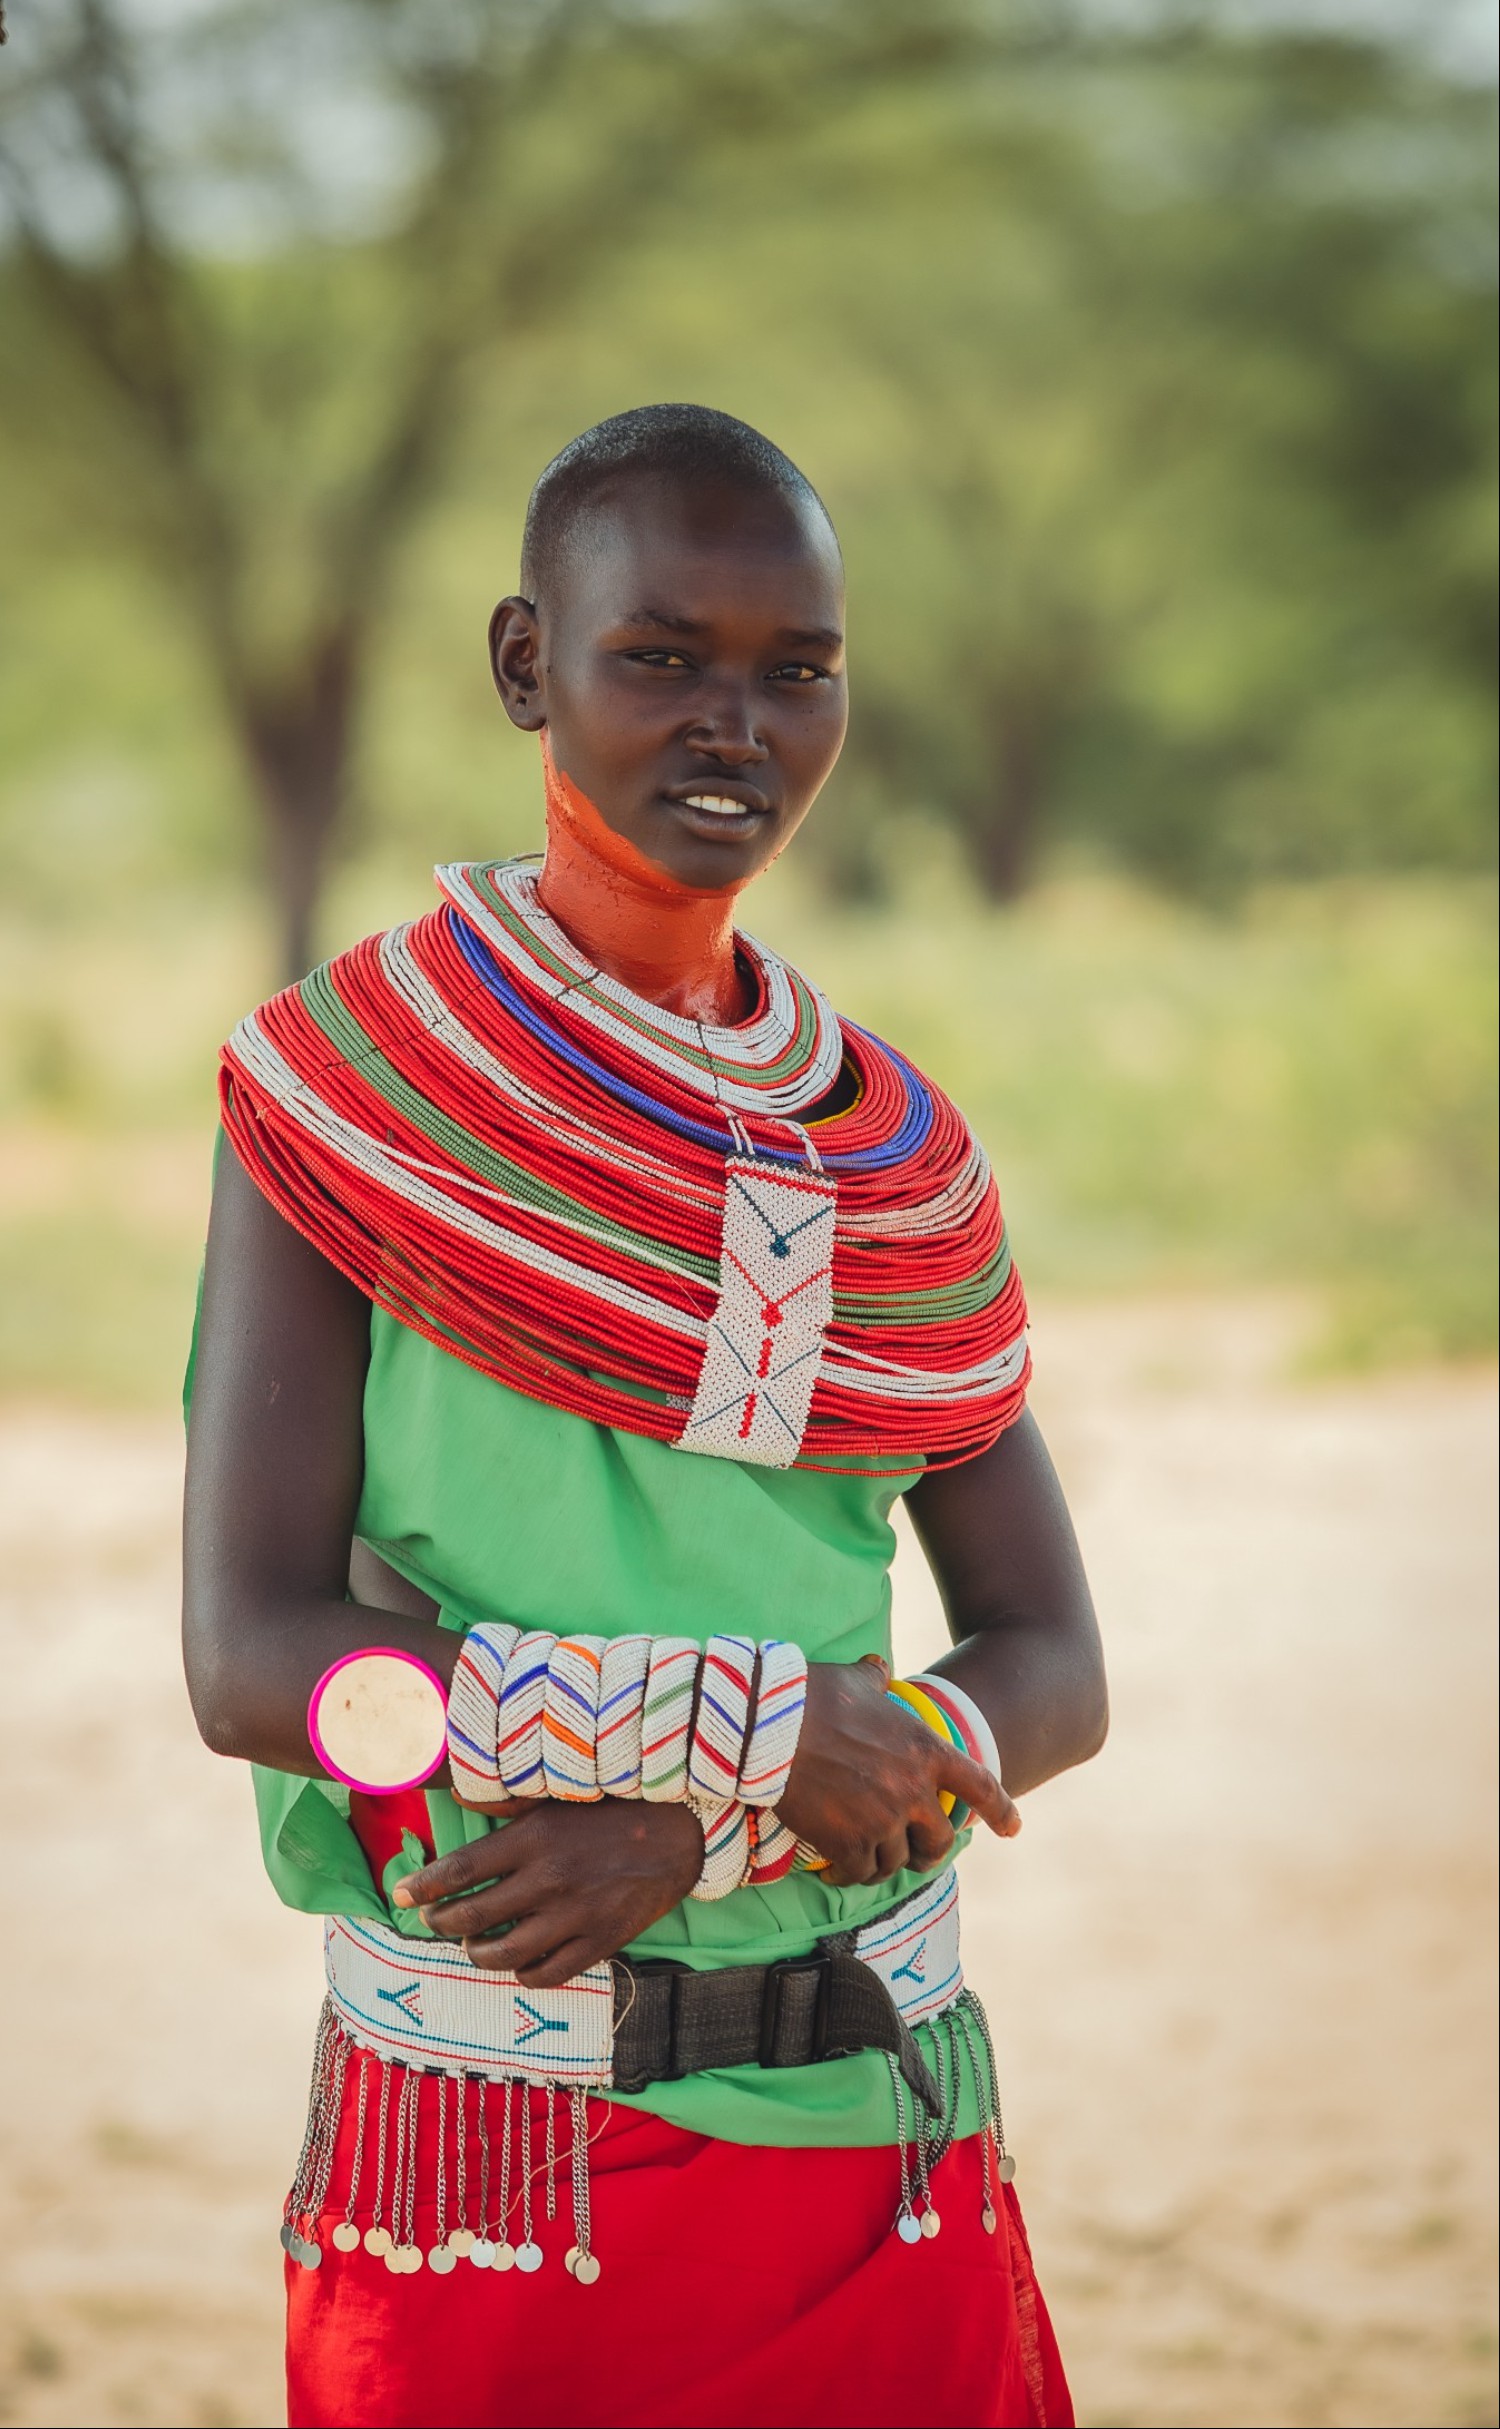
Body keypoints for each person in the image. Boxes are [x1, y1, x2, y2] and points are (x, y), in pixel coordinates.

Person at [183, 403, 1107, 2429]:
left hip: (883, 2126)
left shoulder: (898, 1165)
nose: (735, 724)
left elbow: (1053, 1671)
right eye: (661, 654)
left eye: (800, 671)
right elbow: (264, 1672)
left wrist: (713, 1813)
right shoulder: (349, 1108)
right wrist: (753, 1726)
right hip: (501, 2171)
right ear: (528, 664)